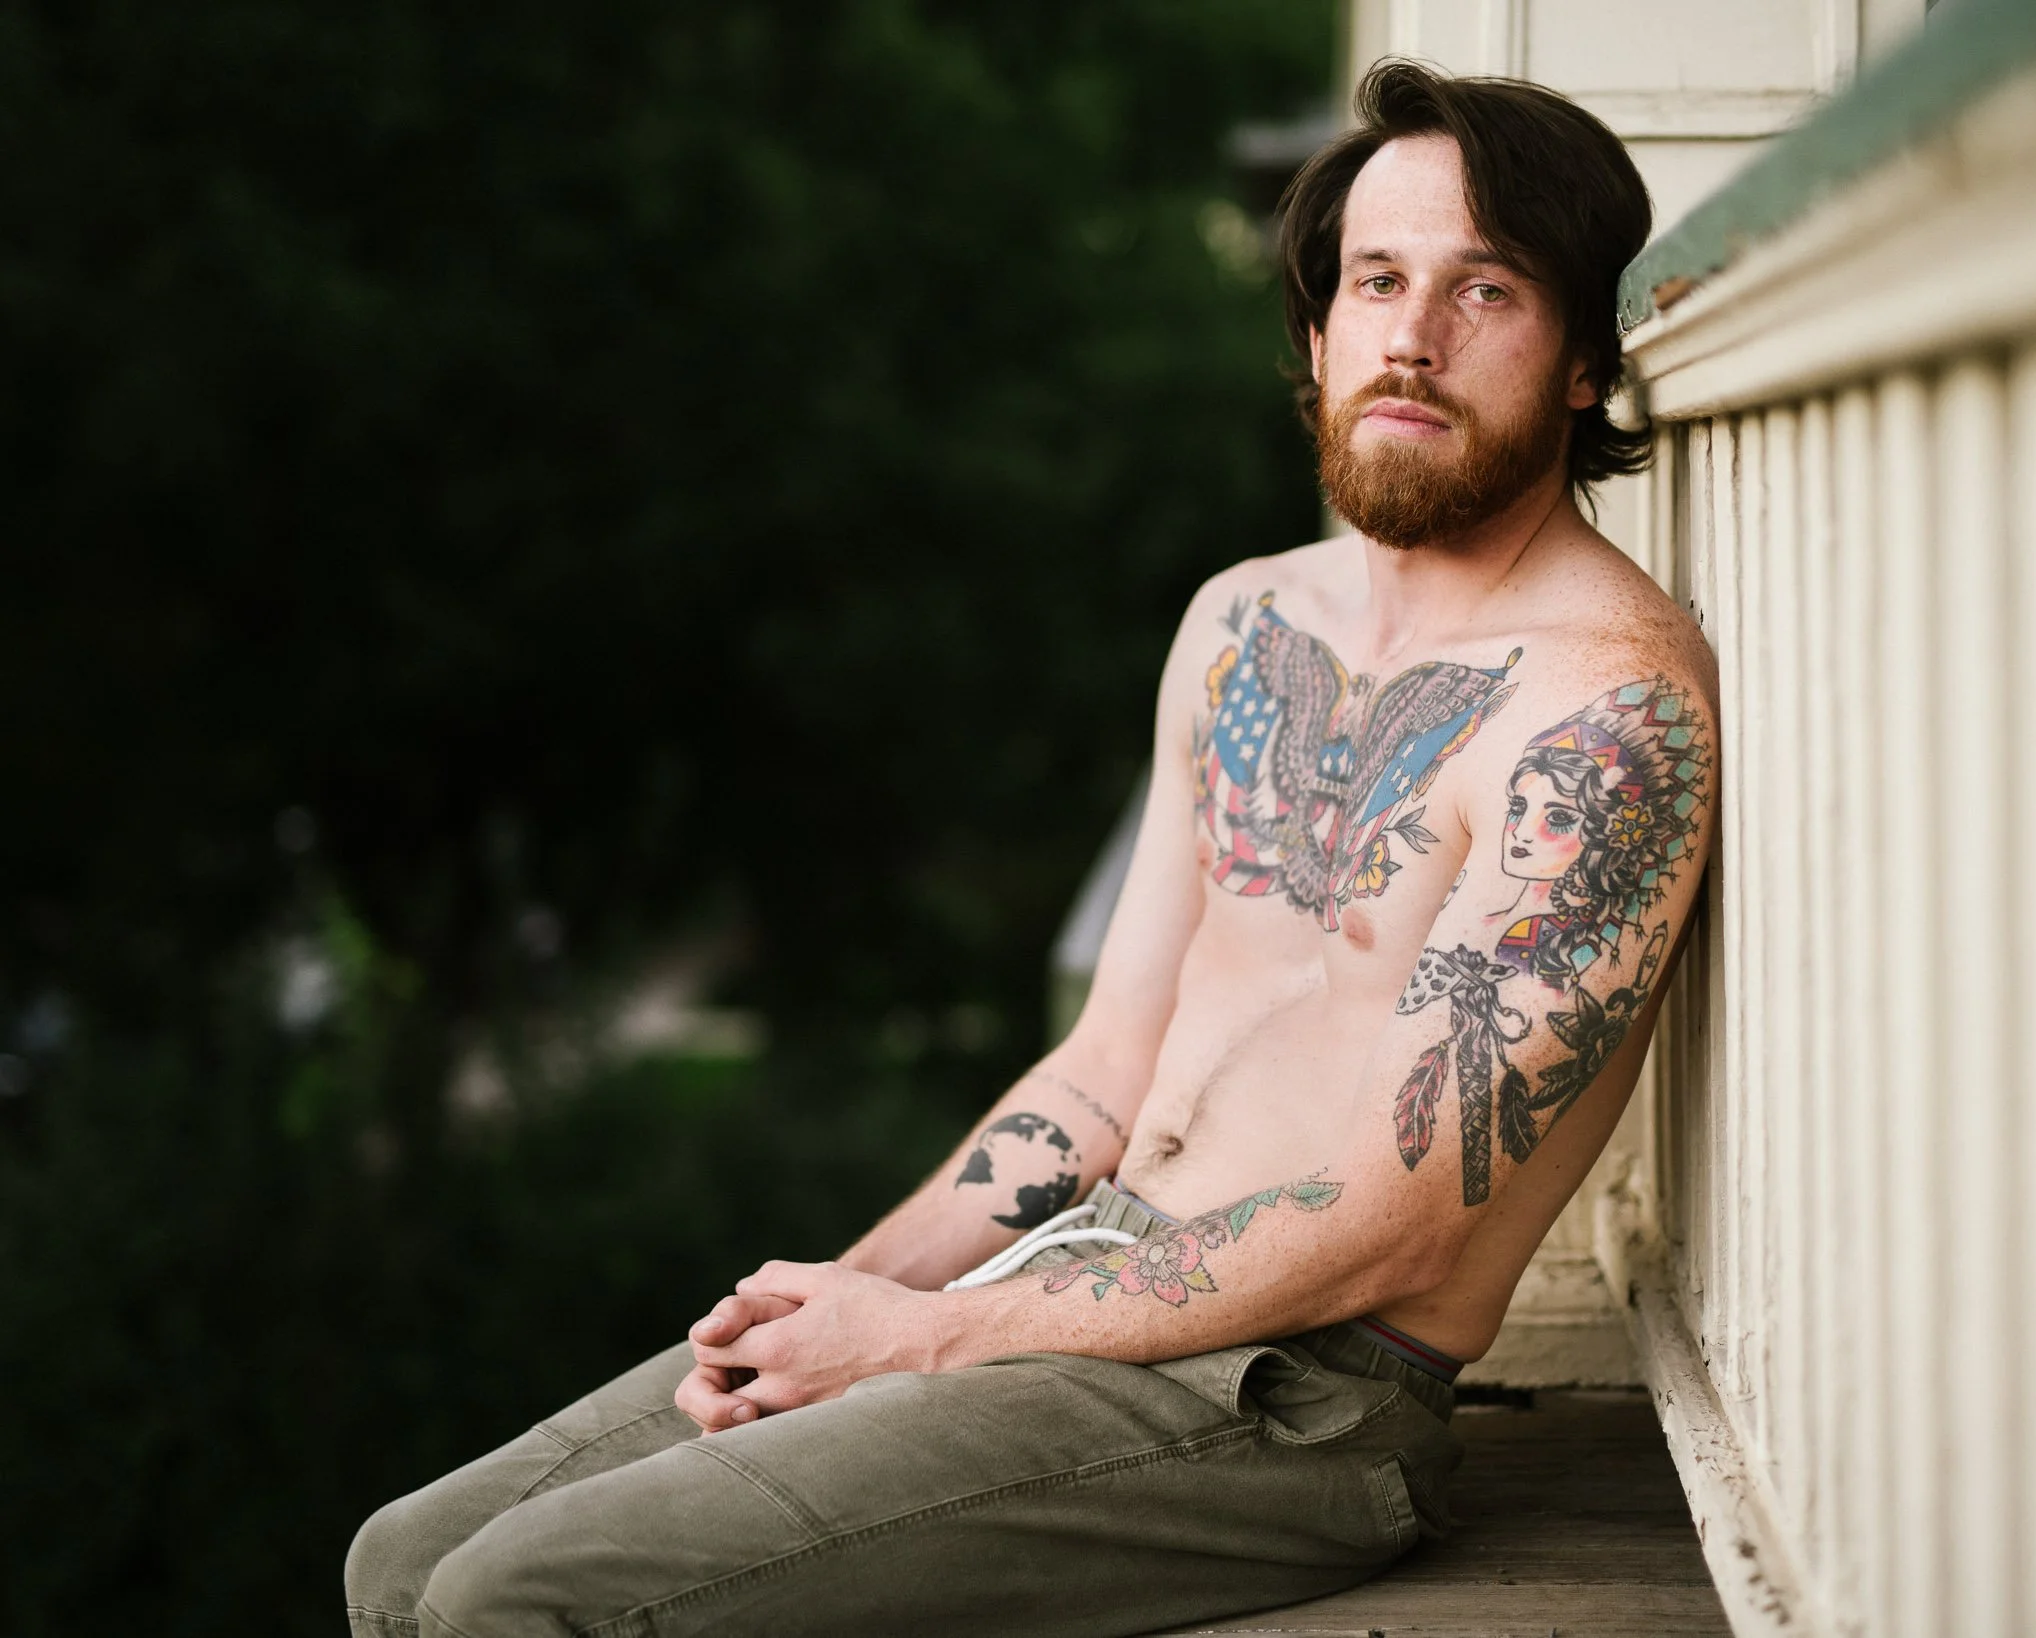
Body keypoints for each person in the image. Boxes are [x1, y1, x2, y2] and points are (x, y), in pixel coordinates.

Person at [346, 59, 1718, 1638]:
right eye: (1378, 281)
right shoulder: (1244, 619)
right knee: (399, 1560)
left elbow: (1400, 1216)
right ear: (1317, 336)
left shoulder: (1607, 711)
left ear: (1581, 363)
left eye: (1488, 290)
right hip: (1074, 1278)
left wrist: (925, 1344)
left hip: (1294, 1390)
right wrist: (838, 1296)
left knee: (515, 1598)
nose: (1412, 336)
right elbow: (1102, 1066)